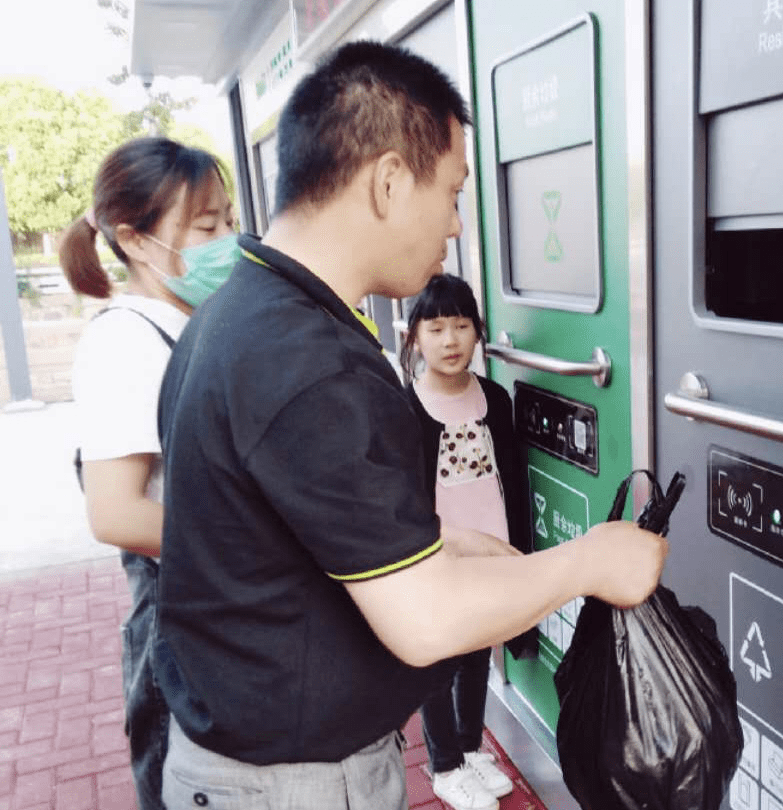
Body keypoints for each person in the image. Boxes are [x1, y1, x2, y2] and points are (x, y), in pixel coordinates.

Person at [153, 40, 667, 810]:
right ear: (390, 181)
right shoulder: (306, 360)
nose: (456, 225)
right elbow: (426, 621)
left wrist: (446, 542)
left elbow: (286, 526)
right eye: (453, 192)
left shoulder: (235, 317)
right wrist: (591, 562)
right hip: (293, 784)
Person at [58, 136, 236, 810]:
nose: (228, 241)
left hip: (224, 596)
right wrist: (254, 546)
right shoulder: (124, 341)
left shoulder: (194, 320)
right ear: (133, 239)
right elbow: (116, 513)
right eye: (207, 227)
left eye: (229, 219)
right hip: (181, 612)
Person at [400, 274, 537, 810]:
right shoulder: (407, 408)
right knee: (440, 659)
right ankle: (444, 765)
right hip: (438, 558)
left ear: (478, 332)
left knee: (479, 650)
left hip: (490, 552)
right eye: (436, 328)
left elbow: (513, 480)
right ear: (414, 337)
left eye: (461, 326)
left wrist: (518, 549)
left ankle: (469, 746)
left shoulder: (494, 399)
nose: (450, 340)